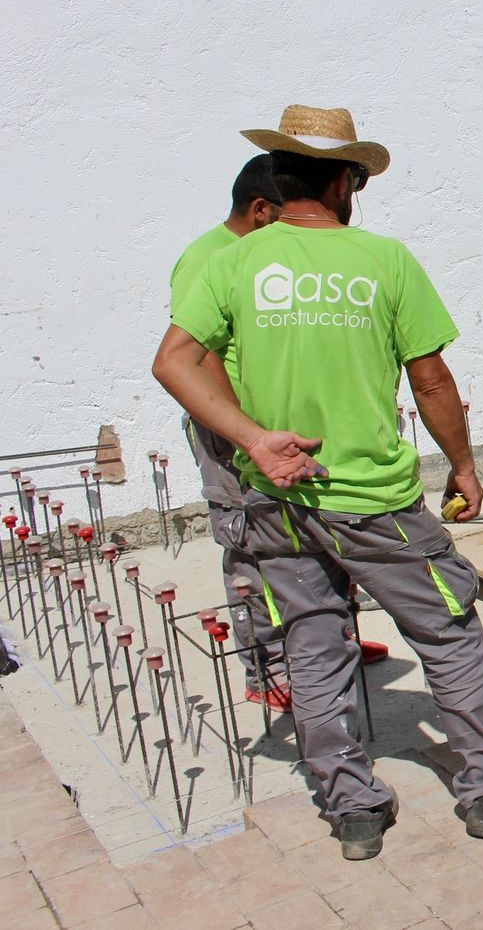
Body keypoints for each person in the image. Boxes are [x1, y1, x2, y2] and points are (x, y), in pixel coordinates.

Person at [153, 105, 483, 860]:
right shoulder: (385, 260)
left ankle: (353, 808)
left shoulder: (234, 261)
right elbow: (430, 379)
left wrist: (255, 443)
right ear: (342, 181)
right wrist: (463, 467)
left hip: (277, 501)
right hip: (373, 502)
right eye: (356, 179)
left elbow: (173, 360)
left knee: (312, 644)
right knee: (449, 631)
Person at [168, 154, 293, 711]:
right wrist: (247, 430)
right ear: (260, 208)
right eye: (286, 213)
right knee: (249, 545)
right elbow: (201, 356)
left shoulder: (260, 254)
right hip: (232, 432)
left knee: (295, 537)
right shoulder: (209, 259)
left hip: (266, 426)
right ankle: (265, 670)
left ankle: (311, 645)